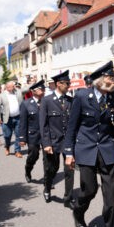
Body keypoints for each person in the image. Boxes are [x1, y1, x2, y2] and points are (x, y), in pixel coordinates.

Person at [64, 61, 114, 227]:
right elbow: (72, 126)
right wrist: (68, 152)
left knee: (111, 193)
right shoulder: (82, 96)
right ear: (99, 80)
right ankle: (78, 212)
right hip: (86, 149)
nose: (113, 81)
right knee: (89, 190)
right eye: (110, 78)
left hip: (107, 149)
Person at [39, 70, 74, 208]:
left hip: (68, 142)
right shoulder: (47, 101)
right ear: (58, 84)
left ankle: (68, 197)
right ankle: (47, 188)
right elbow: (43, 125)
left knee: (69, 169)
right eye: (67, 83)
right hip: (53, 142)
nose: (69, 85)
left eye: (69, 83)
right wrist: (46, 143)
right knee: (51, 169)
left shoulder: (71, 100)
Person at [19, 80, 45, 183]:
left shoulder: (47, 101)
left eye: (43, 88)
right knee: (33, 156)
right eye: (40, 89)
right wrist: (22, 138)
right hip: (33, 135)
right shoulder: (26, 104)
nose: (43, 90)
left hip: (46, 135)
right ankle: (28, 170)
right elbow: (23, 123)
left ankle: (48, 180)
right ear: (33, 91)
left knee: (48, 159)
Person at [0, 81, 23, 158]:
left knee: (18, 135)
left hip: (18, 117)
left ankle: (17, 151)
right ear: (7, 87)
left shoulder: (18, 92)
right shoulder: (1, 95)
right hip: (7, 119)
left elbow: (26, 89)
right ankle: (7, 147)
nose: (14, 87)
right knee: (7, 136)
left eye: (14, 86)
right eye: (12, 86)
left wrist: (33, 82)